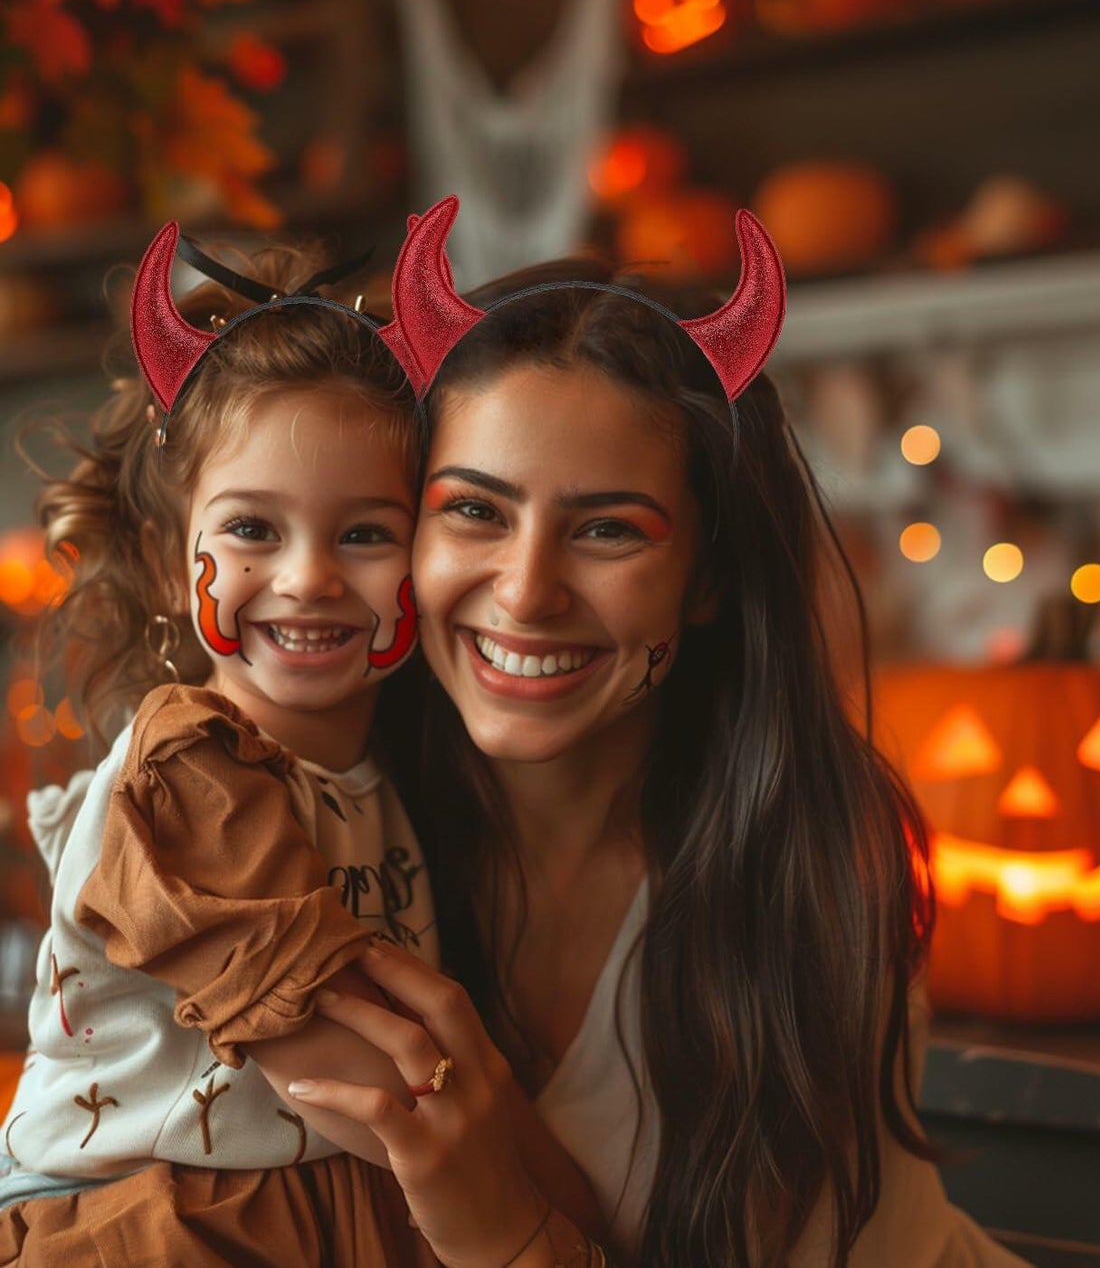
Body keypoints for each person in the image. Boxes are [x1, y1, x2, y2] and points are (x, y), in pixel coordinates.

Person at [285, 199, 1028, 1267]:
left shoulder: (811, 874)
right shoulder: (297, 820)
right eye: (474, 511)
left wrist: (501, 1222)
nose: (526, 592)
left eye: (604, 529)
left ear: (708, 577)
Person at [0, 224, 601, 1266]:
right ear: (161, 552)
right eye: (251, 530)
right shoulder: (189, 770)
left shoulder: (367, 772)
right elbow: (360, 1086)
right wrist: (573, 1228)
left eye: (365, 533)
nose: (311, 577)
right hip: (149, 1227)